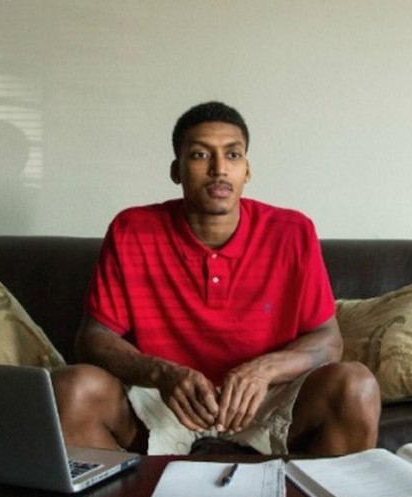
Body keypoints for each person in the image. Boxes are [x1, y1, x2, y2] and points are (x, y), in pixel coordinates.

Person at [52, 101, 380, 456]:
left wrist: (264, 370)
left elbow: (329, 342)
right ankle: (132, 492)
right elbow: (93, 339)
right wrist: (163, 374)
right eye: (200, 155)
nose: (219, 169)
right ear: (176, 170)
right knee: (72, 387)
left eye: (233, 155)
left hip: (268, 398)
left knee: (357, 385)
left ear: (247, 170)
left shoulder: (292, 231)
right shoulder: (131, 230)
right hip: (163, 400)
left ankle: (306, 495)